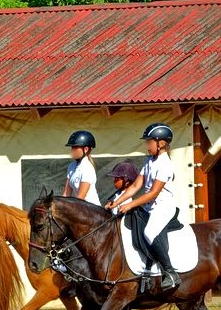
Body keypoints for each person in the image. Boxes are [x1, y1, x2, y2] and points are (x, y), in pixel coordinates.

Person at [105, 123, 181, 291]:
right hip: (149, 207)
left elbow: (153, 193)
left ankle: (170, 272)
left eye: (149, 142)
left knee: (149, 232)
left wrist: (131, 204)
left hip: (163, 207)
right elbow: (134, 187)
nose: (147, 146)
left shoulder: (165, 165)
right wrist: (116, 203)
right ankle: (145, 271)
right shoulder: (149, 161)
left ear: (160, 143)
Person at [63, 130, 100, 205]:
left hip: (91, 211)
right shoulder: (71, 166)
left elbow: (80, 198)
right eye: (72, 147)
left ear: (85, 149)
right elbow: (66, 195)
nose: (72, 150)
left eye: (75, 147)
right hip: (80, 208)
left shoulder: (88, 169)